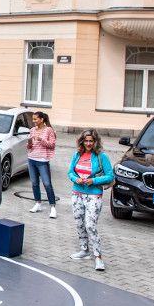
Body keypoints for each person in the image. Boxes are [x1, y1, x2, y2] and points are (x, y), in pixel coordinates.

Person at [68, 129, 114, 272]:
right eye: (86, 141)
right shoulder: (77, 154)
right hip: (77, 194)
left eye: (91, 141)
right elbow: (70, 172)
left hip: (94, 195)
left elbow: (110, 176)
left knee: (90, 225)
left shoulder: (101, 156)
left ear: (95, 142)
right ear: (82, 142)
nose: (88, 144)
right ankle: (84, 250)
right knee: (79, 223)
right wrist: (76, 179)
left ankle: (98, 257)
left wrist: (93, 181)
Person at [27, 111, 57, 218]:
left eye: (35, 119)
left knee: (47, 184)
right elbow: (29, 147)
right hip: (31, 159)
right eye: (33, 119)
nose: (33, 121)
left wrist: (41, 139)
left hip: (42, 160)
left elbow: (52, 145)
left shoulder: (48, 130)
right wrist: (29, 143)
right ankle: (38, 203)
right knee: (34, 183)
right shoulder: (32, 130)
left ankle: (53, 207)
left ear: (42, 119)